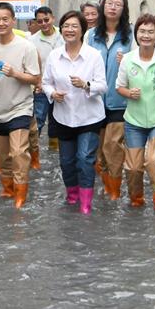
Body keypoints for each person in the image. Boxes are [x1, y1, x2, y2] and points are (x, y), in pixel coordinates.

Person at [41, 11, 108, 214]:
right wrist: (53, 94)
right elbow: (45, 83)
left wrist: (86, 85)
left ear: (82, 31)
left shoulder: (93, 55)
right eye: (66, 26)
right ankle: (72, 195)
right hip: (63, 116)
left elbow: (103, 86)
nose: (69, 30)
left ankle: (86, 202)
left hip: (89, 117)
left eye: (74, 26)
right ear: (61, 30)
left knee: (85, 159)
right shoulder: (54, 55)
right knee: (67, 162)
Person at [0, 3, 40, 208]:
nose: (1, 23)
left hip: (20, 107)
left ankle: (21, 194)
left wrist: (15, 73)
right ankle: (7, 188)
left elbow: (35, 78)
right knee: (2, 156)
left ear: (13, 20)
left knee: (19, 152)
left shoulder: (26, 47)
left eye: (6, 19)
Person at [116, 14, 155, 211]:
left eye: (151, 32)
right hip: (134, 120)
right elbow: (119, 87)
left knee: (154, 160)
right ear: (136, 34)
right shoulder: (127, 59)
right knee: (133, 167)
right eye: (142, 31)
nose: (146, 35)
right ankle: (136, 200)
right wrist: (128, 93)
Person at [86, 0, 132, 200]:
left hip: (119, 100)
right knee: (98, 149)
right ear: (102, 7)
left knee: (113, 147)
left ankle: (114, 192)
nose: (113, 7)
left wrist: (128, 62)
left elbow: (141, 66)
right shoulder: (91, 35)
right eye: (109, 3)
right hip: (93, 99)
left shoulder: (131, 36)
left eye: (118, 4)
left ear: (123, 9)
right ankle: (105, 187)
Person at [31, 6, 63, 159]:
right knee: (38, 120)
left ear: (53, 18)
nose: (43, 23)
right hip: (41, 87)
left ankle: (54, 152)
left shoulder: (64, 35)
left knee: (59, 121)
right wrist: (37, 83)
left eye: (46, 20)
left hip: (62, 88)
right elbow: (30, 65)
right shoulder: (32, 40)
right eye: (40, 21)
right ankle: (31, 153)